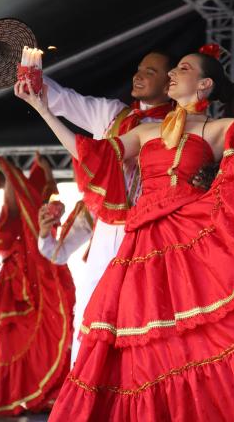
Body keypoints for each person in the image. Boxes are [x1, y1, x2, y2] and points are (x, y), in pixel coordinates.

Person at [15, 48, 234, 421]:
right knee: (136, 347)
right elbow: (92, 154)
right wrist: (42, 109)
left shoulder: (216, 128)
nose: (173, 74)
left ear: (205, 84)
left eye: (183, 68)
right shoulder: (145, 131)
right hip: (140, 243)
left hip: (191, 242)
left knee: (191, 341)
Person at [43, 51, 174, 358]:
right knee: (89, 310)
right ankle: (82, 394)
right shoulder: (112, 115)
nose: (138, 75)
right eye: (139, 68)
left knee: (141, 318)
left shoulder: (180, 125)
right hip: (107, 232)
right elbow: (63, 99)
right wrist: (30, 76)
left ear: (171, 84)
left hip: (151, 234)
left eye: (150, 72)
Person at [0, 154, 75, 416]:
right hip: (17, 286)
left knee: (45, 330)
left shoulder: (30, 209)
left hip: (34, 279)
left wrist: (46, 173)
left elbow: (48, 201)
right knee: (13, 343)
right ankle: (14, 396)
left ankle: (43, 394)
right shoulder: (11, 212)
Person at [38, 198, 94, 364]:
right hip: (104, 289)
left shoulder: (156, 183)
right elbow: (59, 253)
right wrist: (45, 233)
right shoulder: (96, 200)